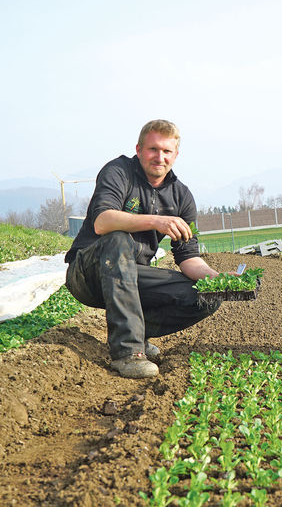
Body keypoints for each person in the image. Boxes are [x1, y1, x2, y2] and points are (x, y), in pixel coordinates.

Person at [64, 119, 225, 379]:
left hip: (132, 277)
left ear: (176, 155)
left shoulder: (181, 196)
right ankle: (128, 352)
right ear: (139, 150)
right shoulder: (119, 172)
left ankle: (135, 334)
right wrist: (156, 221)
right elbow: (102, 221)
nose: (159, 157)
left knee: (206, 295)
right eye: (153, 149)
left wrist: (221, 281)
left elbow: (189, 258)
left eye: (166, 151)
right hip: (89, 272)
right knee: (118, 238)